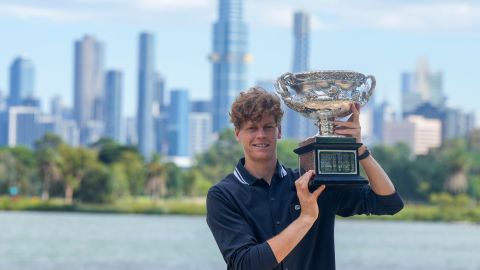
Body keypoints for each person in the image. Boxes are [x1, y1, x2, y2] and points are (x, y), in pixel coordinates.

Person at [206, 87, 404, 270]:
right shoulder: (223, 195)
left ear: (279, 131)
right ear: (238, 134)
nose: (261, 135)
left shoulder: (312, 184)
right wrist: (306, 218)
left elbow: (389, 202)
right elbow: (247, 264)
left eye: (268, 127)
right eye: (252, 128)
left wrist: (359, 148)